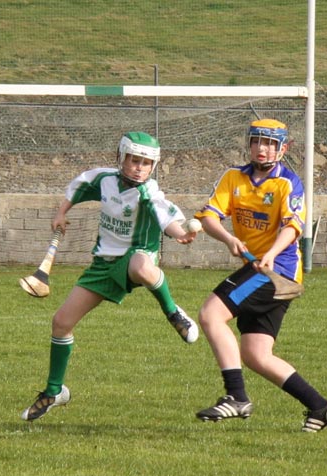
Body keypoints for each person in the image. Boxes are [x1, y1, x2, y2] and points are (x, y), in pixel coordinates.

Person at [21, 131, 199, 421]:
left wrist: (182, 234)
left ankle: (173, 312)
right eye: (134, 160)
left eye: (146, 162)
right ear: (121, 158)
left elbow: (168, 218)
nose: (140, 167)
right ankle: (55, 391)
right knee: (61, 323)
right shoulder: (103, 179)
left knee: (142, 267)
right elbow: (76, 189)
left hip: (138, 255)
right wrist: (60, 213)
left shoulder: (149, 191)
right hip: (103, 264)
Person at [193, 119, 327, 433]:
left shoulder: (288, 183)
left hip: (278, 271)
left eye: (271, 143)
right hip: (255, 267)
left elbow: (292, 226)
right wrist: (228, 238)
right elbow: (208, 216)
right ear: (249, 145)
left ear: (283, 148)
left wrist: (272, 253)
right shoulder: (234, 176)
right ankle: (320, 406)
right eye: (258, 141)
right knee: (256, 354)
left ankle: (236, 396)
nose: (263, 148)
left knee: (210, 314)